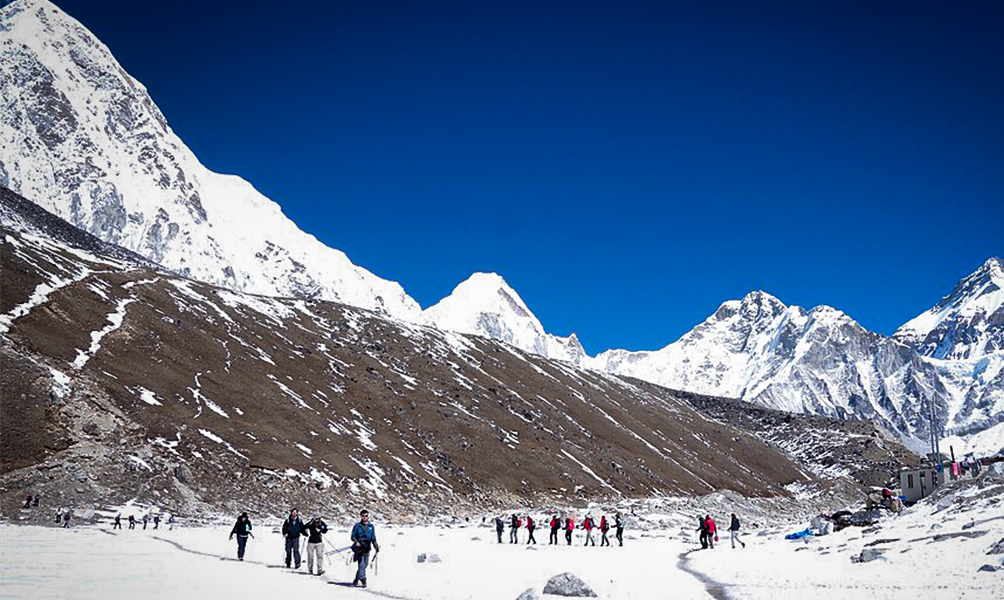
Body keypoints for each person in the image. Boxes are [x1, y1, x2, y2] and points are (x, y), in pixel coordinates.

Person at [351, 509, 379, 588]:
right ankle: (363, 580)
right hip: (359, 548)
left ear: (368, 516)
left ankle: (356, 579)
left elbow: (373, 537)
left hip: (367, 547)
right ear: (361, 516)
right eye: (363, 516)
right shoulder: (357, 526)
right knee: (361, 565)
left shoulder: (371, 526)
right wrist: (356, 541)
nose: (364, 517)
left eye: (366, 516)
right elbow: (353, 536)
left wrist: (375, 545)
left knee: (365, 565)